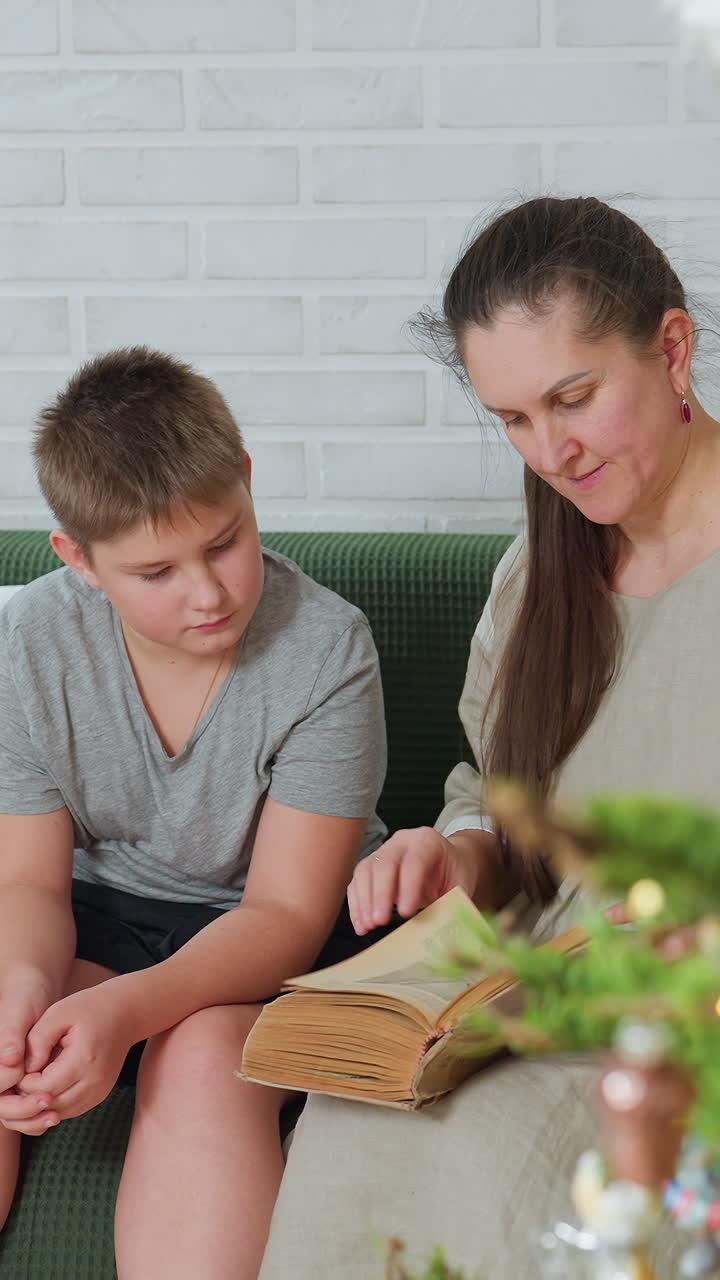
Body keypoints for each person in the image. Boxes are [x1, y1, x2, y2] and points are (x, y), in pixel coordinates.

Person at [258, 195, 720, 1279]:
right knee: (350, 1120)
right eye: (513, 418)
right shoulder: (535, 579)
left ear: (672, 346)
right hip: (536, 992)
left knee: (516, 1147)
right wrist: (454, 850)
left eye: (573, 397)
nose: (550, 450)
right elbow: (487, 784)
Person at [0, 347, 387, 1279]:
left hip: (278, 943)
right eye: (156, 572)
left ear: (248, 482)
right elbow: (25, 881)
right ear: (79, 560)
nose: (208, 594)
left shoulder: (327, 651)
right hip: (110, 919)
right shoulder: (30, 641)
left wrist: (125, 1010)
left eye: (224, 542)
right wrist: (23, 984)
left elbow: (286, 915)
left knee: (206, 1051)